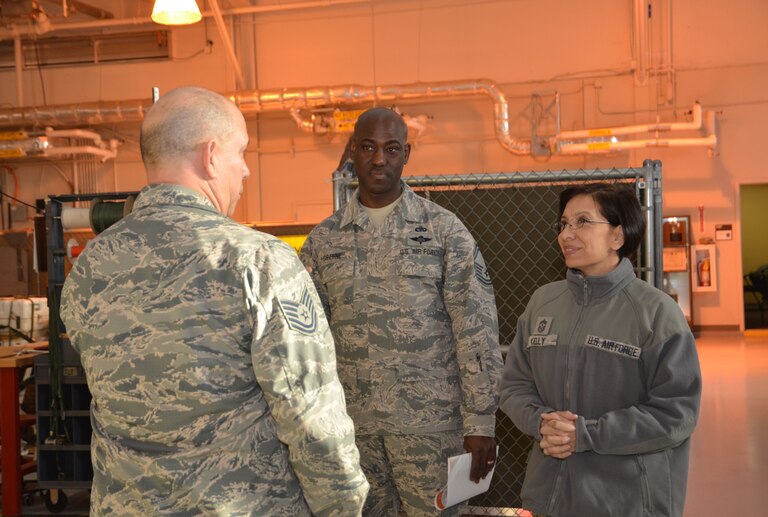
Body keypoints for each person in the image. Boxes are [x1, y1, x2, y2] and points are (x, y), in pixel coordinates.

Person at [60, 86, 368, 516]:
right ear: (210, 156)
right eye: (241, 152)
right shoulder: (258, 261)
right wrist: (343, 505)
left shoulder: (90, 265)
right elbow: (309, 413)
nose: (244, 170)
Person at [299, 107, 503, 516]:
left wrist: (480, 421)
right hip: (353, 432)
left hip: (430, 429)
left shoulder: (444, 231)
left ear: (406, 154)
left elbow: (475, 328)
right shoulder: (323, 241)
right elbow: (308, 341)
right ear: (352, 151)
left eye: (391, 149)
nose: (379, 159)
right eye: (368, 147)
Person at [499, 183, 702, 517]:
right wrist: (543, 423)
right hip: (550, 495)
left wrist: (586, 435)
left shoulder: (657, 313)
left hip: (626, 501)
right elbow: (514, 385)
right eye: (563, 224)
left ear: (617, 236)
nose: (567, 234)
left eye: (582, 222)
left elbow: (676, 413)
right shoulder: (542, 303)